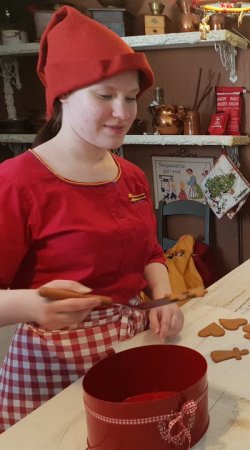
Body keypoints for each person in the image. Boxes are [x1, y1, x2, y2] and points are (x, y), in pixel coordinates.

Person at [0, 6, 184, 432]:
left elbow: (150, 254)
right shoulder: (16, 182)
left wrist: (163, 296)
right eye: (105, 96)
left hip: (131, 347)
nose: (123, 112)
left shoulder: (131, 175)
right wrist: (33, 304)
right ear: (63, 95)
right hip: (52, 369)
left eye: (131, 97)